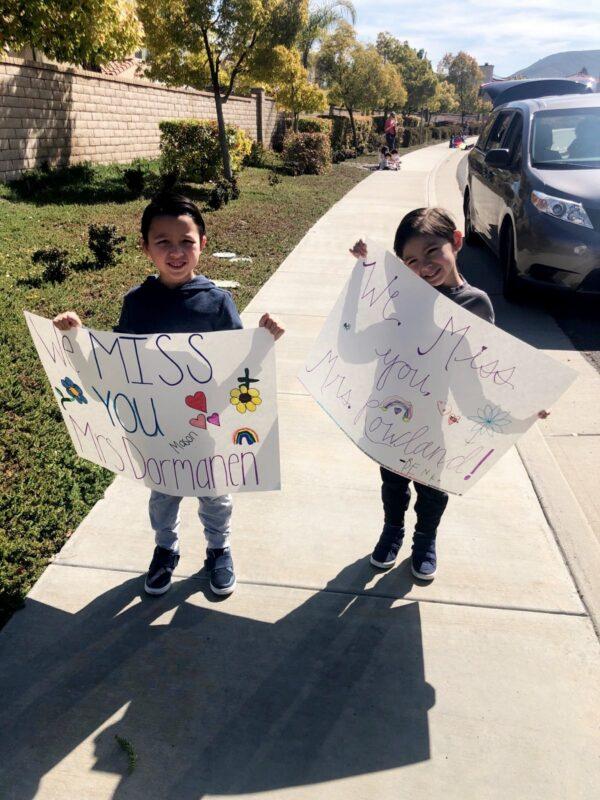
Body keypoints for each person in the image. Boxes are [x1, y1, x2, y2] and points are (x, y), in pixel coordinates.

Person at [53, 191, 284, 598]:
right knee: (164, 494)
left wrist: (262, 340)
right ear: (145, 247)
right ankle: (166, 548)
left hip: (208, 424)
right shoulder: (138, 304)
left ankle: (218, 548)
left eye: (186, 242)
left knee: (215, 493)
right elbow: (120, 364)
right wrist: (75, 335)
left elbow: (236, 363)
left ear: (203, 245)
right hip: (158, 430)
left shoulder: (217, 302)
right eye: (163, 242)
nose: (176, 252)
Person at [349, 207, 548, 581]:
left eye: (431, 252)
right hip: (393, 411)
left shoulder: (476, 304)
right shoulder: (402, 296)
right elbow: (361, 335)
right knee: (392, 481)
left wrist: (524, 408)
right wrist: (364, 268)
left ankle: (425, 539)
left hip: (441, 421)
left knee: (433, 488)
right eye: (410, 260)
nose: (423, 266)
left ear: (456, 242)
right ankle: (393, 530)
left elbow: (487, 374)